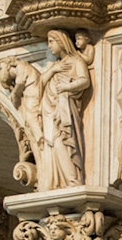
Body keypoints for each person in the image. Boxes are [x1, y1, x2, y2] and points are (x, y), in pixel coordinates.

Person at [37, 30, 93, 190]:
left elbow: (85, 81)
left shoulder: (76, 60)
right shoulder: (56, 65)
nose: (49, 46)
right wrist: (54, 70)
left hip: (64, 107)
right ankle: (57, 180)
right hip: (49, 108)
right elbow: (41, 82)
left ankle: (72, 180)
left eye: (51, 41)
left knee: (63, 141)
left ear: (61, 42)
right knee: (52, 143)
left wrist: (67, 87)